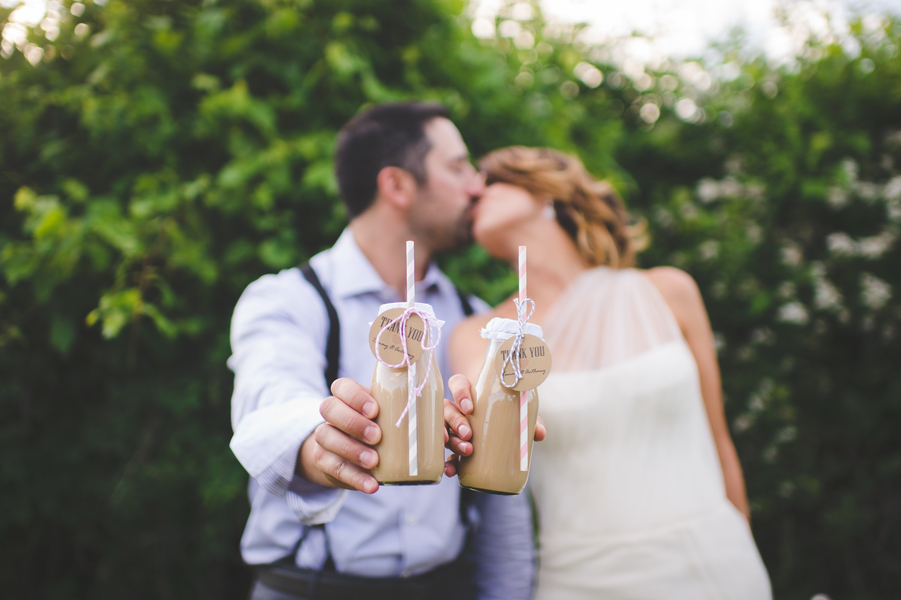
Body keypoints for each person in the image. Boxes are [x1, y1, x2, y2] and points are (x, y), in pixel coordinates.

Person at [228, 103, 538, 600]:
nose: (476, 186)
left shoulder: (475, 318)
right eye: (458, 167)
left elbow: (500, 504)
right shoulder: (289, 299)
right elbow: (268, 395)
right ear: (396, 185)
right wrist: (322, 440)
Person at [445, 146, 772, 599]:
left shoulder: (668, 292)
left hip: (715, 565)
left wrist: (743, 545)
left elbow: (719, 441)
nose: (474, 189)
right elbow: (482, 449)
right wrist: (458, 421)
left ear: (547, 192)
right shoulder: (478, 336)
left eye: (492, 179)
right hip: (581, 580)